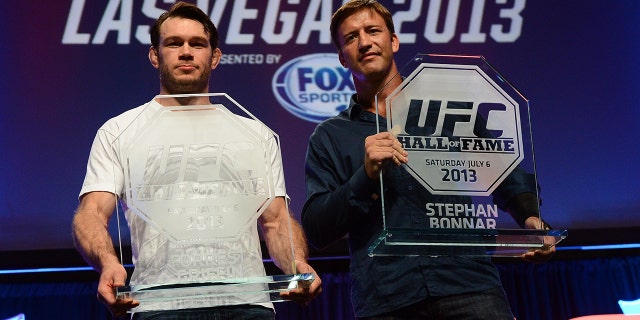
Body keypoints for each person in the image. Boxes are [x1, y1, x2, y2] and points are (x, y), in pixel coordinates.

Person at [301, 1, 554, 319]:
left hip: (468, 286)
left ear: (393, 41)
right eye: (351, 38)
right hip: (388, 298)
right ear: (341, 57)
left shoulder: (447, 112)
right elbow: (316, 229)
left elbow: (506, 174)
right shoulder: (330, 136)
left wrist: (531, 219)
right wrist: (364, 176)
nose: (364, 42)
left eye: (373, 31)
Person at [71, 2, 321, 319]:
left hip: (245, 305)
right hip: (160, 306)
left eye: (197, 44)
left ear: (214, 57)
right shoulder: (119, 132)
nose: (186, 52)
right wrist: (108, 262)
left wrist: (296, 263)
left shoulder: (255, 133)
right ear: (154, 55)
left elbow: (275, 221)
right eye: (174, 43)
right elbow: (92, 212)